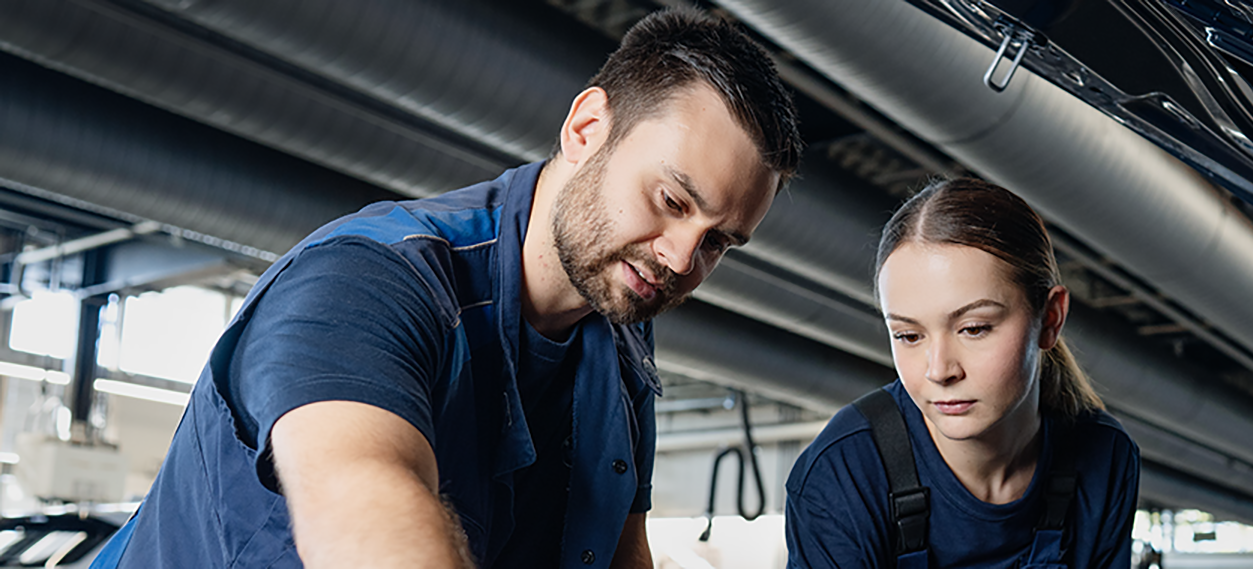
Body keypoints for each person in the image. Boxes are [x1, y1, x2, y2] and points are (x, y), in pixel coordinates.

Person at [90, 8, 802, 568]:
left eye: (717, 241)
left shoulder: (620, 333)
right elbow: (368, 512)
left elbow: (620, 549)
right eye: (673, 202)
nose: (682, 260)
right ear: (587, 129)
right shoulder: (370, 281)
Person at [785, 178, 1141, 568]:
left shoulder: (1104, 459)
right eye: (908, 335)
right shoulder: (842, 476)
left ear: (1050, 319)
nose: (939, 370)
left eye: (973, 328)